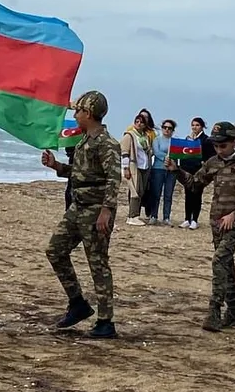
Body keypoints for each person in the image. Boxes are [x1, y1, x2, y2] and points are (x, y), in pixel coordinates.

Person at [42, 91, 121, 338]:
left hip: (96, 210)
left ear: (88, 113)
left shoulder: (107, 143)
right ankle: (77, 303)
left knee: (98, 264)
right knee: (55, 250)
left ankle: (106, 322)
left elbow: (113, 179)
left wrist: (106, 211)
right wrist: (56, 166)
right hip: (77, 207)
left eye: (78, 111)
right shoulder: (84, 140)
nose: (75, 115)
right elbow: (79, 172)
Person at [169, 122, 235, 332]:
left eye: (223, 145)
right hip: (216, 222)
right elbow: (194, 184)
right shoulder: (213, 162)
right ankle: (234, 312)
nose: (219, 149)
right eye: (216, 146)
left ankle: (215, 311)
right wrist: (177, 171)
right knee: (226, 265)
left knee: (219, 260)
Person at [120, 112, 154, 226]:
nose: (139, 124)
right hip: (134, 166)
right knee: (135, 191)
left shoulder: (145, 137)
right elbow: (124, 152)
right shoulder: (129, 135)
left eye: (141, 122)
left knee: (141, 191)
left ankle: (136, 215)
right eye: (137, 122)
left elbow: (148, 151)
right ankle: (132, 216)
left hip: (144, 166)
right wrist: (126, 168)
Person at [180, 118, 213, 229]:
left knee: (197, 195)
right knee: (188, 194)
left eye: (197, 125)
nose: (194, 127)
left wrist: (204, 163)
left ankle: (195, 219)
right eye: (193, 125)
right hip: (188, 170)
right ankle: (187, 219)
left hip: (199, 171)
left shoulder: (206, 140)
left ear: (202, 126)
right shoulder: (188, 139)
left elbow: (210, 156)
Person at [146, 119, 178, 225]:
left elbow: (178, 154)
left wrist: (172, 162)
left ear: (173, 130)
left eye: (169, 128)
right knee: (156, 193)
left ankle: (166, 217)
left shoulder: (175, 141)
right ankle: (153, 215)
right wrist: (166, 158)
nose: (167, 130)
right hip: (158, 169)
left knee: (168, 194)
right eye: (165, 127)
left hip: (171, 171)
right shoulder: (157, 140)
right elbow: (157, 152)